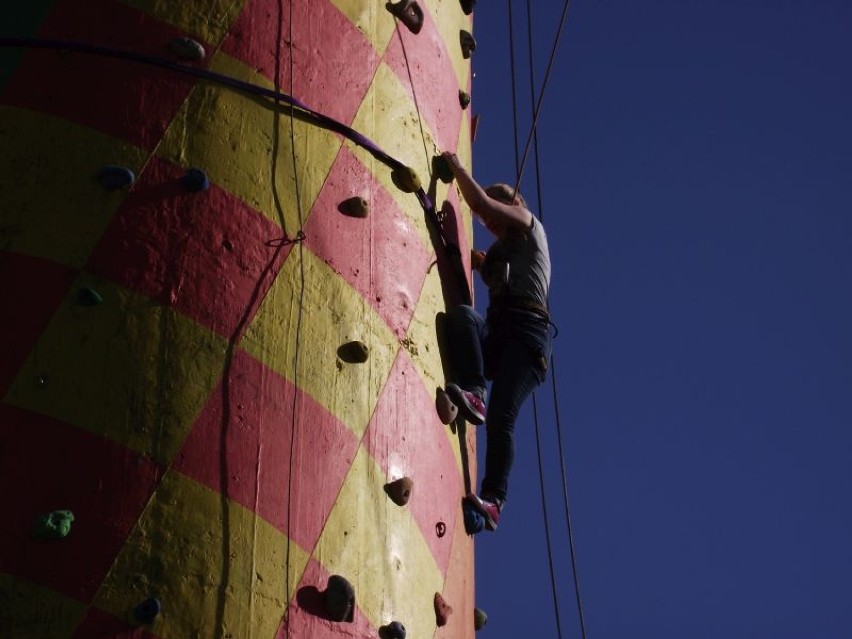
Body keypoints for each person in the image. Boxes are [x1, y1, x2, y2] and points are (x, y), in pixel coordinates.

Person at [440, 151, 552, 532]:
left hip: (527, 337)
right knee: (462, 317)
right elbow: (489, 267)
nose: (487, 220)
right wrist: (478, 262)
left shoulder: (529, 224)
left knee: (504, 415)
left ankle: (494, 499)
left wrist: (457, 170)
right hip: (504, 334)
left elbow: (480, 202)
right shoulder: (503, 252)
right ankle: (474, 390)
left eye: (494, 213)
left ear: (512, 205)